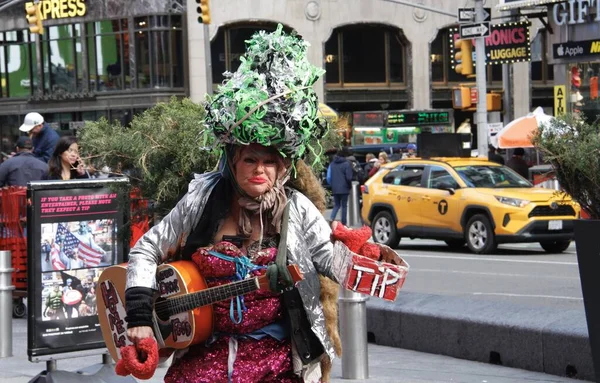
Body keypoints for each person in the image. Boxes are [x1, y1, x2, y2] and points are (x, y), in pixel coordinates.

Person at [124, 25, 401, 383]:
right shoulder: (204, 199)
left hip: (277, 362)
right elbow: (145, 250)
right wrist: (140, 317)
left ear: (283, 168)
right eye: (250, 159)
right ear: (233, 161)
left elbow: (334, 264)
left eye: (269, 162)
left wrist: (372, 260)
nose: (260, 170)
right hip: (205, 356)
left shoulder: (297, 209)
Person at [328, 148, 353, 225]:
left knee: (337, 205)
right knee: (344, 206)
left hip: (335, 188)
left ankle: (331, 218)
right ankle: (343, 223)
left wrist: (332, 185)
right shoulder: (347, 163)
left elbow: (329, 177)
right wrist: (349, 186)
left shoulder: (332, 164)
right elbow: (349, 177)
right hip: (344, 188)